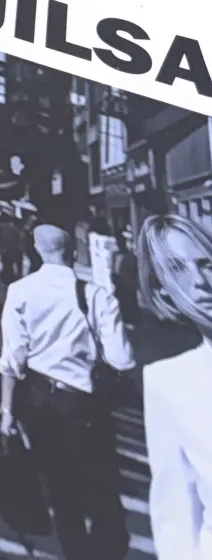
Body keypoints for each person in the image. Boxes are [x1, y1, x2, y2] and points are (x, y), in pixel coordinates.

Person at [0, 221, 132, 560]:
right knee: (102, 490)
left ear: (36, 250)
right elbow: (122, 358)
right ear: (73, 251)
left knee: (62, 491)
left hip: (39, 402)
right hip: (86, 405)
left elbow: (12, 360)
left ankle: (75, 552)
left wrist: (7, 412)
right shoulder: (96, 295)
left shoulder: (20, 291)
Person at [138, 213, 212, 559]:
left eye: (206, 263)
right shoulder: (168, 383)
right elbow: (177, 520)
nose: (200, 281)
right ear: (162, 292)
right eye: (178, 269)